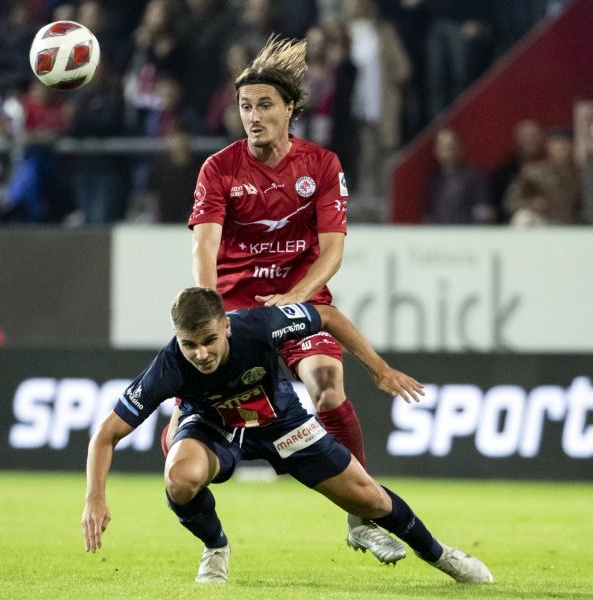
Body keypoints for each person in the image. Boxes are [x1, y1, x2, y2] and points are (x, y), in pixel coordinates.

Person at [173, 34, 406, 564]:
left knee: (327, 386)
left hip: (297, 294)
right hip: (232, 308)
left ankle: (361, 519)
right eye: (245, 106)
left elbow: (333, 252)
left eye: (264, 106)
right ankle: (202, 510)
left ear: (290, 109)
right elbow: (204, 245)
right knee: (208, 414)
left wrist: (295, 299)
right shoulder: (219, 169)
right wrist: (210, 304)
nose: (253, 116)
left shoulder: (321, 165)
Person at [82, 287, 494, 585]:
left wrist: (378, 368)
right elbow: (105, 434)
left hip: (280, 420)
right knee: (180, 478)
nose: (201, 353)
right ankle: (215, 548)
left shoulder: (259, 326)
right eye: (190, 344)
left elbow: (327, 316)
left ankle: (444, 558)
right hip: (213, 427)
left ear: (226, 326)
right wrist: (95, 499)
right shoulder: (169, 367)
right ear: (178, 339)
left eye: (209, 340)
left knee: (371, 499)